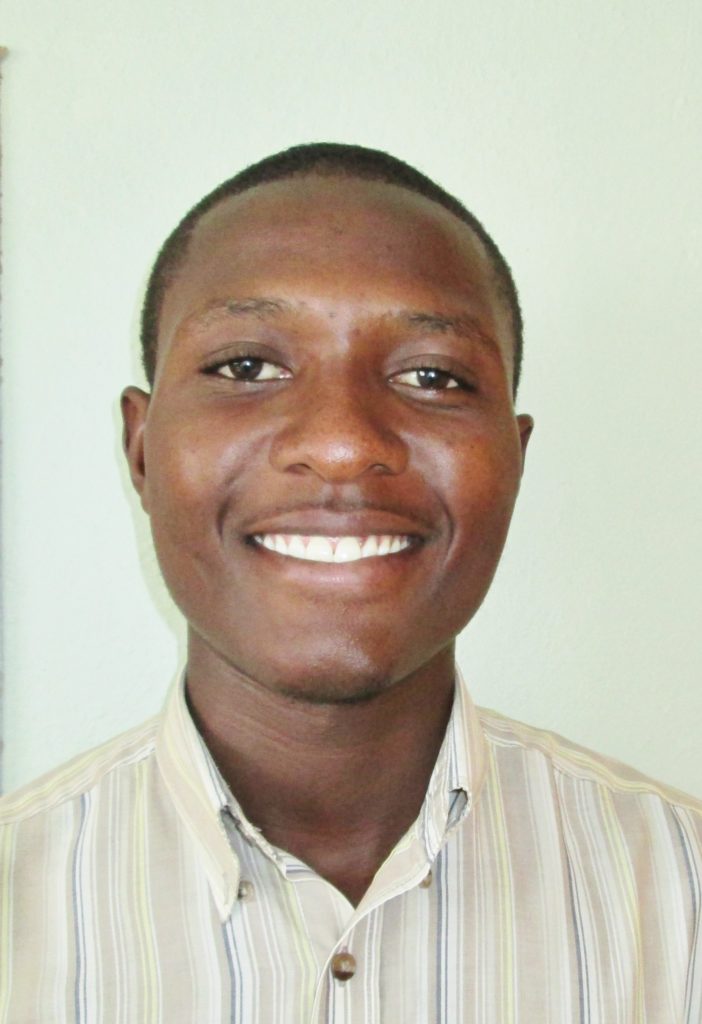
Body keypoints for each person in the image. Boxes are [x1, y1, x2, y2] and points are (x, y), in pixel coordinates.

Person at [0, 142, 700, 1023]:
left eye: (432, 376)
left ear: (514, 461)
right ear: (140, 451)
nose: (339, 443)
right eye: (246, 367)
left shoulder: (682, 898)